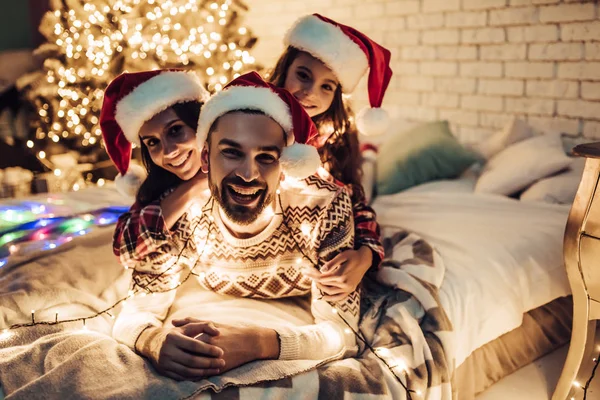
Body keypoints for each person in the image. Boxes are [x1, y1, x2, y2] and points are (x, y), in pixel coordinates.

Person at [105, 71, 359, 381]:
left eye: (266, 157)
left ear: (286, 165)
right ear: (206, 157)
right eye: (232, 153)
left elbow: (343, 333)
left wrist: (257, 343)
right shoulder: (175, 213)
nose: (249, 174)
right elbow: (137, 307)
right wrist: (153, 340)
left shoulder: (322, 206)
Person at [267, 14, 392, 301]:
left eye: (327, 86)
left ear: (336, 95)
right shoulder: (252, 124)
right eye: (303, 75)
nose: (310, 92)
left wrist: (365, 255)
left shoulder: (335, 140)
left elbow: (357, 205)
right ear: (285, 70)